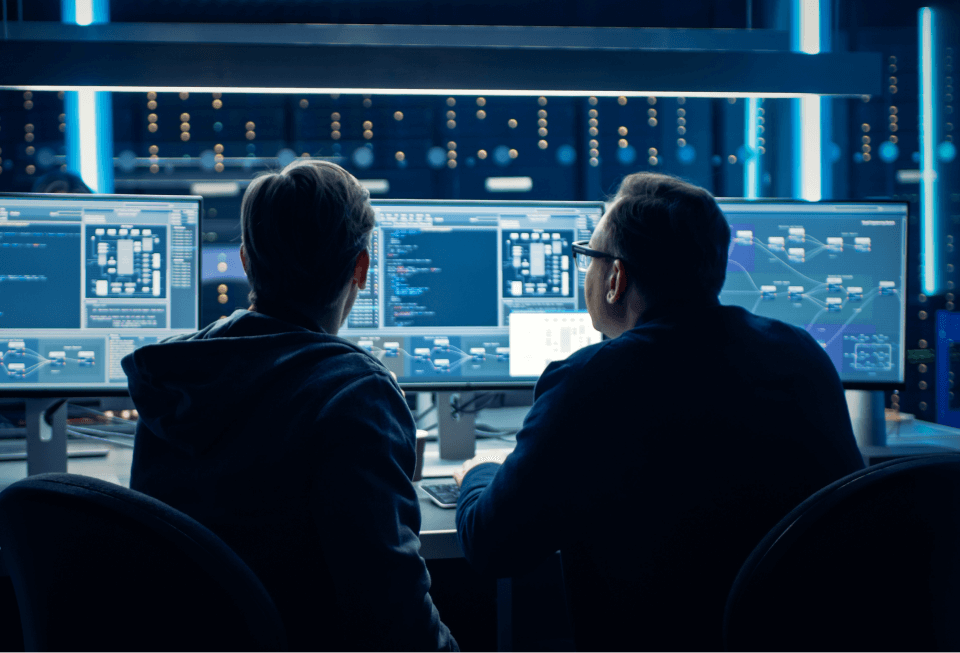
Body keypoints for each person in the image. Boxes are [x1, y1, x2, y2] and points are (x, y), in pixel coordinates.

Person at [454, 172, 864, 651]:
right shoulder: (801, 355)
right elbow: (848, 516)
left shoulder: (589, 381)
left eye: (589, 257)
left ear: (616, 278)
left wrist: (479, 474)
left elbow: (493, 546)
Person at [123, 160, 457, 652]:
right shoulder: (353, 392)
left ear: (244, 260)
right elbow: (394, 614)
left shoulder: (173, 377)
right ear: (360, 269)